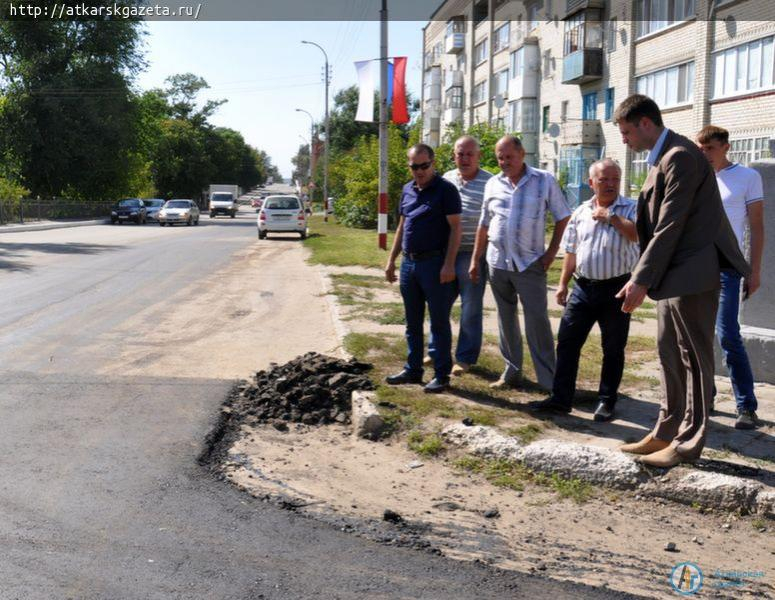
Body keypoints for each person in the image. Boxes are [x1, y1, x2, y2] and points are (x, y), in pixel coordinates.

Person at [614, 95, 750, 468]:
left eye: (626, 131)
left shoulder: (681, 156)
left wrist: (640, 279)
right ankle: (665, 430)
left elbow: (671, 225)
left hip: (692, 273)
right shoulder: (663, 156)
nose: (624, 139)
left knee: (695, 357)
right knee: (668, 352)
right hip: (673, 273)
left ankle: (689, 442)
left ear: (645, 123)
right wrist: (645, 276)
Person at [528, 159, 639, 421]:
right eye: (604, 180)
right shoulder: (580, 211)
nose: (610, 184)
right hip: (583, 287)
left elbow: (636, 235)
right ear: (591, 183)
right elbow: (572, 251)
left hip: (617, 288)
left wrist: (611, 217)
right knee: (567, 342)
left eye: (615, 179)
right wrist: (564, 283)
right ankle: (561, 398)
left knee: (613, 348)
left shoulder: (631, 208)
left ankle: (606, 401)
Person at [470, 135, 571, 390]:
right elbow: (484, 223)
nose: (504, 162)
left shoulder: (543, 180)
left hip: (530, 264)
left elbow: (563, 217)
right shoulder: (493, 183)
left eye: (509, 157)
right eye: (500, 157)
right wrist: (475, 259)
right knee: (505, 319)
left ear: (522, 154)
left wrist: (550, 254)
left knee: (537, 321)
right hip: (497, 263)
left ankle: (549, 380)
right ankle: (511, 371)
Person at [696, 125, 764, 430]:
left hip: (728, 267)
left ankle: (746, 406)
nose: (704, 153)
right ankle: (703, 397)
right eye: (700, 148)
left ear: (725, 147)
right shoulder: (698, 176)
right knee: (697, 336)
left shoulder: (747, 177)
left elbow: (757, 226)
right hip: (696, 266)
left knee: (727, 334)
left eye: (709, 148)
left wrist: (755, 269)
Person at [384, 143, 463, 394]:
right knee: (412, 322)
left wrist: (449, 264)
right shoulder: (407, 190)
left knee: (439, 322)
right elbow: (401, 227)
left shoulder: (446, 191)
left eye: (424, 165)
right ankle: (413, 368)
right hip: (409, 264)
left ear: (433, 163)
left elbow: (455, 229)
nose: (419, 171)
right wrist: (391, 260)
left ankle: (441, 374)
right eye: (414, 166)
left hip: (435, 264)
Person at [424, 136, 492, 375]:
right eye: (460, 154)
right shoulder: (446, 179)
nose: (464, 159)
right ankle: (435, 350)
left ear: (478, 156)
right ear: (454, 155)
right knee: (439, 303)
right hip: (445, 253)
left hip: (474, 253)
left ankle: (464, 357)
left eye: (469, 154)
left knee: (470, 307)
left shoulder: (490, 182)